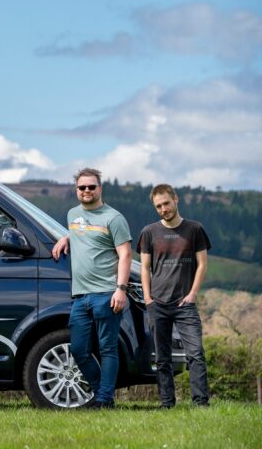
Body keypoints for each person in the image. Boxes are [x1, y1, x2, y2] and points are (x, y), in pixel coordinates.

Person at [52, 168, 132, 409]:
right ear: (76, 190)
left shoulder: (114, 218)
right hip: (80, 296)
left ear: (100, 188)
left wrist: (121, 289)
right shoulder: (72, 214)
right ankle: (101, 394)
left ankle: (105, 399)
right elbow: (81, 232)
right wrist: (66, 238)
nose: (86, 191)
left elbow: (126, 254)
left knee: (108, 349)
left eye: (91, 187)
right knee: (78, 349)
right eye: (82, 187)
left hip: (107, 294)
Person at [137, 184, 211, 408]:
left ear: (176, 199)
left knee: (195, 354)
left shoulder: (194, 229)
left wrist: (192, 295)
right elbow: (144, 268)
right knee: (162, 358)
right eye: (158, 206)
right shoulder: (149, 232)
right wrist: (148, 299)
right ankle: (167, 403)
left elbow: (202, 264)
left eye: (166, 203)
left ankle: (201, 403)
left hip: (185, 304)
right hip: (157, 303)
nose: (163, 209)